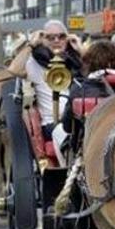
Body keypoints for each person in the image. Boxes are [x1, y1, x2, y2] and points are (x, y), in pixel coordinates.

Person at [22, 20, 82, 165]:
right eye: (51, 37)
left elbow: (94, 69)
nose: (56, 40)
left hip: (78, 119)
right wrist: (31, 44)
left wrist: (80, 49)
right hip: (52, 123)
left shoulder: (75, 61)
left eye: (61, 37)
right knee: (69, 134)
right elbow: (13, 70)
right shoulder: (34, 63)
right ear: (43, 39)